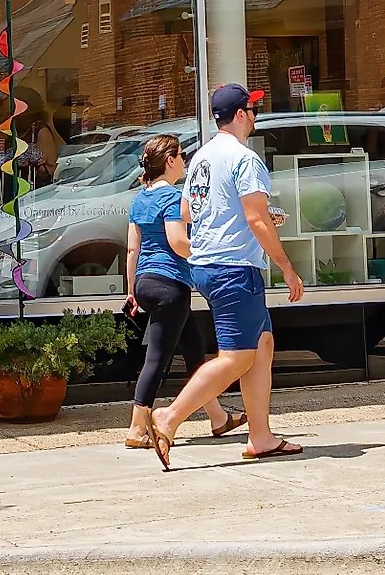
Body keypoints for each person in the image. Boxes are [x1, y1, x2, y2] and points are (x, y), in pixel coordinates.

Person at [150, 83, 307, 467]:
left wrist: (237, 217)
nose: (255, 115)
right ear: (240, 115)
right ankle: (169, 417)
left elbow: (189, 211)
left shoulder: (202, 157)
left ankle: (261, 437)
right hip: (233, 267)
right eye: (252, 109)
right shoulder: (244, 158)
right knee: (237, 357)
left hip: (207, 264)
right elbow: (254, 217)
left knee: (262, 345)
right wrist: (286, 266)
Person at [122, 133, 242, 449]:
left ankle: (218, 417)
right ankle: (137, 427)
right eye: (181, 155)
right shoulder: (172, 198)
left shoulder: (139, 199)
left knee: (193, 346)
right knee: (157, 359)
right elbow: (178, 242)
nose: (185, 161)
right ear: (170, 162)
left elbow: (132, 250)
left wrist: (132, 291)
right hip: (170, 286)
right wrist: (209, 251)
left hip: (147, 283)